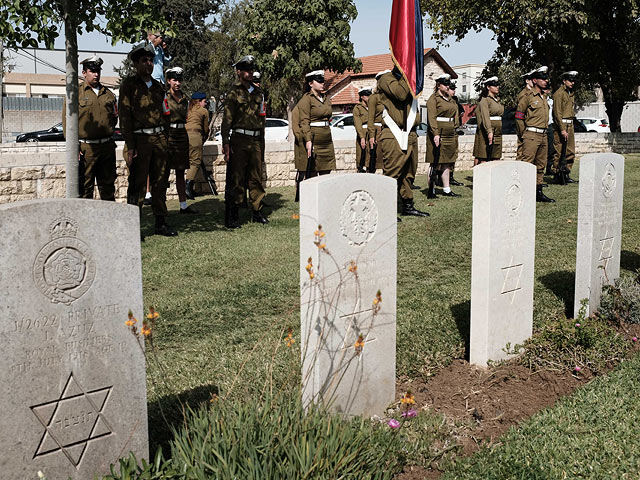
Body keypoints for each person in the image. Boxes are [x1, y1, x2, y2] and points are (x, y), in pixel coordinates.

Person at [119, 42, 177, 236]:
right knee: (137, 184)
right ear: (136, 63)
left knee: (160, 182)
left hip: (159, 139)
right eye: (144, 60)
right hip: (140, 140)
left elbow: (166, 114)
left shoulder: (159, 87)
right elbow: (125, 117)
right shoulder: (129, 86)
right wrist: (131, 145)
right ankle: (132, 227)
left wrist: (166, 139)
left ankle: (161, 222)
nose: (149, 64)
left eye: (151, 60)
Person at [374, 67, 428, 217]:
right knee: (393, 173)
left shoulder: (408, 80)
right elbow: (401, 94)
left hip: (410, 133)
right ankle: (384, 210)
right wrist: (407, 75)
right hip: (394, 133)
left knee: (408, 174)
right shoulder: (386, 79)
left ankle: (407, 205)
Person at [221, 55, 268, 228]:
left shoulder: (258, 93)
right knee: (237, 177)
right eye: (246, 69)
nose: (249, 72)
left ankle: (257, 210)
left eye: (251, 69)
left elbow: (262, 119)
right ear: (238, 72)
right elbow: (226, 120)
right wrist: (226, 143)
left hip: (255, 138)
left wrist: (262, 143)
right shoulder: (233, 93)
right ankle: (233, 213)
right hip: (239, 139)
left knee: (256, 176)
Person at [62, 56, 117, 200]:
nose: (96, 74)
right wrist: (74, 147)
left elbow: (114, 117)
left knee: (108, 188)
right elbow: (67, 123)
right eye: (92, 71)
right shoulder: (75, 94)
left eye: (98, 70)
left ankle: (107, 221)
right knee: (85, 189)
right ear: (84, 72)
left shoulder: (108, 94)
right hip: (86, 149)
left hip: (107, 147)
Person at [515, 66, 555, 203]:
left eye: (546, 78)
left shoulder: (544, 97)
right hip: (531, 134)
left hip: (543, 135)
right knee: (527, 165)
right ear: (534, 80)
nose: (545, 81)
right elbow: (519, 116)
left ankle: (538, 192)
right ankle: (522, 192)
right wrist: (523, 134)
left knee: (540, 165)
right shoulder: (527, 97)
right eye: (542, 79)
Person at [165, 67, 196, 214]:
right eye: (174, 80)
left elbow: (187, 117)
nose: (177, 83)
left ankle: (183, 205)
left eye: (179, 80)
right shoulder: (164, 97)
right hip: (168, 135)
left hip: (181, 135)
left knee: (180, 171)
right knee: (163, 172)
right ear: (168, 81)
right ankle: (161, 205)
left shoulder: (185, 98)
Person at [426, 74, 461, 197]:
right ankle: (432, 189)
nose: (447, 86)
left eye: (448, 84)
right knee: (434, 162)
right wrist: (435, 134)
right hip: (438, 133)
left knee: (447, 161)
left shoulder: (450, 99)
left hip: (449, 133)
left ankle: (447, 189)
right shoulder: (433, 99)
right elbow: (431, 118)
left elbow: (455, 115)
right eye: (445, 84)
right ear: (438, 85)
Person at [298, 70, 336, 176]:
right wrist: (308, 140)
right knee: (313, 172)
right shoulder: (306, 99)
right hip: (315, 138)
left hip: (326, 139)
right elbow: (304, 122)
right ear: (310, 84)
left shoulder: (326, 99)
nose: (322, 83)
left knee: (327, 172)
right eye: (319, 81)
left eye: (322, 81)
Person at [552, 71, 578, 184]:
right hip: (562, 124)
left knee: (570, 150)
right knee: (559, 151)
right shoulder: (559, 94)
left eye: (573, 80)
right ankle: (557, 173)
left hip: (570, 124)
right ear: (564, 81)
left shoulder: (570, 93)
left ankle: (566, 173)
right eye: (570, 80)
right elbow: (557, 113)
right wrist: (562, 129)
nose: (572, 82)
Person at [472, 76, 504, 164]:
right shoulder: (485, 100)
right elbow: (485, 117)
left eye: (497, 85)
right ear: (488, 87)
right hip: (488, 130)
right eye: (494, 85)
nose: (497, 87)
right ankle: (481, 177)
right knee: (484, 157)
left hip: (497, 131)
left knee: (496, 156)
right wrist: (489, 131)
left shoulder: (497, 100)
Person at [185, 92, 210, 200]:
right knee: (195, 161)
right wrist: (203, 138)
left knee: (189, 162)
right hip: (195, 135)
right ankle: (188, 186)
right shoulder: (203, 111)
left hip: (184, 136)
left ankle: (190, 188)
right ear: (199, 102)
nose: (206, 104)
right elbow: (206, 129)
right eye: (204, 101)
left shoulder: (188, 109)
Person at [366, 70, 390, 173]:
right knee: (374, 160)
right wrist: (372, 136)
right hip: (377, 130)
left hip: (389, 129)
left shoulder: (390, 97)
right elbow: (370, 119)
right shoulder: (374, 98)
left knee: (388, 160)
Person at [515, 69, 535, 161]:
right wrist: (523, 132)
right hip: (525, 129)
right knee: (522, 152)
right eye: (532, 79)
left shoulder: (534, 93)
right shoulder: (524, 95)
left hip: (532, 129)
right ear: (527, 81)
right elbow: (519, 115)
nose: (534, 81)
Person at [353, 88, 371, 172]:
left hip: (371, 131)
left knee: (371, 154)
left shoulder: (372, 107)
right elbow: (358, 124)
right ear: (362, 97)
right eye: (367, 95)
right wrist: (362, 137)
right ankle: (360, 169)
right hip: (363, 131)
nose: (369, 97)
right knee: (361, 154)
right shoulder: (357, 108)